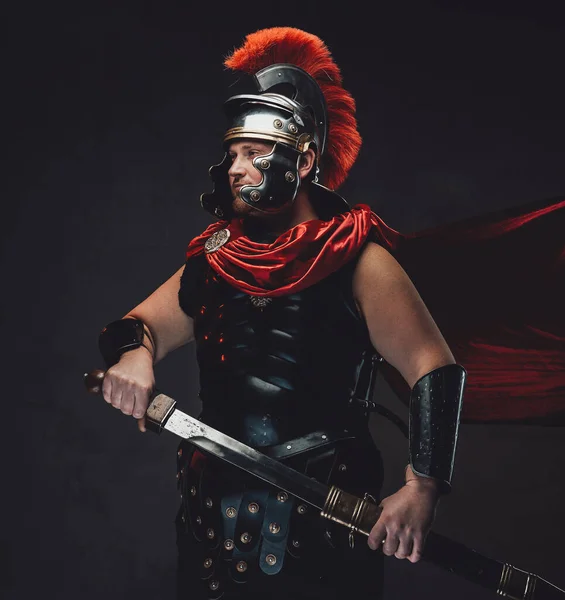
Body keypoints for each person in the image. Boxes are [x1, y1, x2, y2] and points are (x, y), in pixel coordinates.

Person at [96, 28, 466, 599]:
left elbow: (433, 369)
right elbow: (136, 327)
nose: (235, 169)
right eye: (232, 154)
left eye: (253, 153)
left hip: (323, 523)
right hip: (210, 522)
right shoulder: (217, 258)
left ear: (305, 158)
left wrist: (422, 488)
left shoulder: (359, 260)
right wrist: (134, 357)